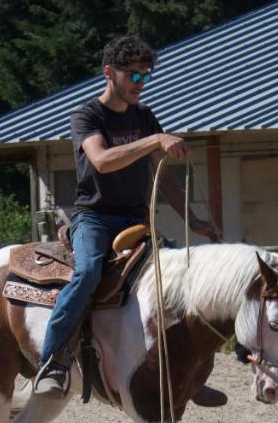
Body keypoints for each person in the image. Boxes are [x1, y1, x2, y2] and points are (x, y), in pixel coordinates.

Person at [34, 35, 220, 397]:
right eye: (133, 76)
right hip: (94, 218)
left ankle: (187, 371)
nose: (140, 84)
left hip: (137, 220)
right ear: (108, 73)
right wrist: (154, 141)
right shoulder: (86, 115)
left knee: (177, 279)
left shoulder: (145, 117)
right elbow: (101, 161)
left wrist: (193, 221)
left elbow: (163, 177)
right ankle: (52, 360)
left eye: (145, 77)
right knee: (88, 272)